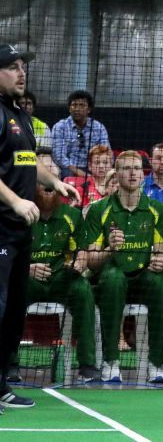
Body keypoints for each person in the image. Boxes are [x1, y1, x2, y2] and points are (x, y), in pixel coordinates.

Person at [0, 43, 80, 410]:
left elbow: (28, 163)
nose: (22, 72)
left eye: (23, 66)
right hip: (1, 227)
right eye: (13, 67)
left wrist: (54, 182)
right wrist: (15, 200)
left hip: (19, 231)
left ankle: (2, 382)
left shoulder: (20, 115)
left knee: (14, 310)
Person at [6, 155, 100, 384]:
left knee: (83, 289)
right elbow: (7, 254)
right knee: (12, 291)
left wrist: (80, 263)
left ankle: (87, 364)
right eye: (42, 181)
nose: (48, 187)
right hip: (29, 279)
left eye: (52, 180)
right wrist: (27, 269)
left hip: (61, 277)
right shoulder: (20, 212)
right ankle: (9, 364)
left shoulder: (73, 216)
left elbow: (83, 252)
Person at [81, 151, 163, 383]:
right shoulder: (99, 210)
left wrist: (161, 262)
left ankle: (157, 364)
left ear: (143, 175)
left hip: (143, 277)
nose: (132, 173)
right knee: (113, 278)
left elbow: (162, 254)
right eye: (126, 168)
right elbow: (91, 260)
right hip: (111, 277)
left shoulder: (158, 211)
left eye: (137, 169)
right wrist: (110, 250)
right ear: (117, 172)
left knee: (162, 284)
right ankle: (110, 362)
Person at [51, 90, 110, 178]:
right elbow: (59, 157)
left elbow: (106, 152)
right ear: (69, 108)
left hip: (93, 167)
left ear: (89, 109)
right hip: (68, 169)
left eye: (82, 105)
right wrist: (82, 174)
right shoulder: (60, 127)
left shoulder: (99, 127)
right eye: (74, 105)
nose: (77, 109)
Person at [64, 144, 114, 209]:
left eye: (105, 162)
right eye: (97, 162)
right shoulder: (82, 187)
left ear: (111, 164)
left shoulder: (117, 185)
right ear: (90, 166)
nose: (101, 166)